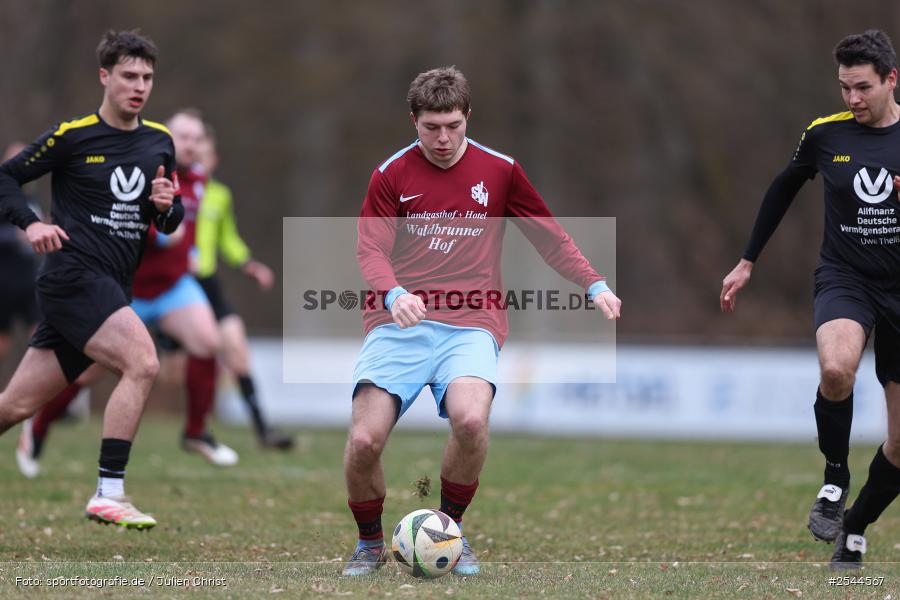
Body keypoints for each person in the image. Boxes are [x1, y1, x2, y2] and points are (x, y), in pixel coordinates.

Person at [341, 66, 621, 577]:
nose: (443, 139)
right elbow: (370, 248)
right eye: (431, 128)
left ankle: (448, 530)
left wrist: (594, 283)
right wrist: (395, 292)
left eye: (453, 125)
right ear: (414, 121)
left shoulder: (500, 170)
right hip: (397, 320)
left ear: (468, 116)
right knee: (364, 442)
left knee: (471, 420)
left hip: (472, 319)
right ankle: (369, 543)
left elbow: (548, 235)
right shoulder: (390, 174)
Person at [721, 30, 900, 569]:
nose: (852, 99)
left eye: (863, 87)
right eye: (845, 87)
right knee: (836, 367)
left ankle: (855, 527)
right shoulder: (825, 135)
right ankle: (834, 478)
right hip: (846, 277)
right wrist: (748, 258)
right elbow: (784, 186)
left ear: (892, 79)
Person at [0, 30, 182, 529]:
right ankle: (110, 491)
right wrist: (31, 223)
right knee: (143, 362)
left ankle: (108, 489)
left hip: (111, 287)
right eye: (128, 76)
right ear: (105, 76)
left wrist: (167, 209)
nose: (139, 86)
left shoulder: (159, 141)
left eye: (146, 77)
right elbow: (5, 177)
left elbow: (168, 218)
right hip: (74, 277)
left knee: (13, 407)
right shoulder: (73, 135)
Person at [192, 129, 293, 449]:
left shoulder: (219, 195)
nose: (197, 161)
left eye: (202, 155)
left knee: (237, 348)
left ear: (214, 160)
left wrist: (249, 264)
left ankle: (263, 431)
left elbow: (227, 238)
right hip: (171, 285)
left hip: (206, 282)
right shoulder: (171, 190)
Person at [0, 142, 41, 370]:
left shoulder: (31, 195)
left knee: (41, 336)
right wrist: (15, 235)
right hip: (3, 279)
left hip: (29, 278)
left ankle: (40, 399)